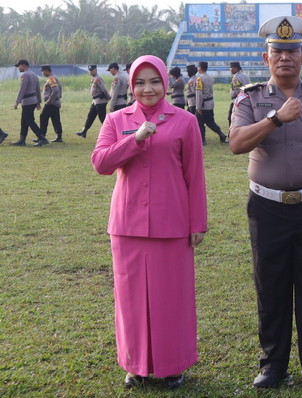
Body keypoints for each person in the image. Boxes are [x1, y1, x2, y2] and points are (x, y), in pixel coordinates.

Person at [229, 15, 302, 391]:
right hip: (267, 209)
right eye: (277, 51)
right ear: (266, 58)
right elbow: (236, 143)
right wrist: (276, 118)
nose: (284, 58)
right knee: (271, 286)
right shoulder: (249, 98)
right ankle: (272, 364)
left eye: (291, 51)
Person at [91, 55, 207, 390]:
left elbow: (194, 175)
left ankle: (172, 365)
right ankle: (135, 366)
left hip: (172, 224)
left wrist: (197, 222)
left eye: (154, 81)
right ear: (131, 86)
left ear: (165, 84)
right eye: (139, 82)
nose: (147, 89)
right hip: (127, 225)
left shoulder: (184, 121)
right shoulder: (116, 120)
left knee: (171, 297)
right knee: (131, 300)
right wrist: (136, 139)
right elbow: (100, 162)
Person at [12, 59, 47, 147]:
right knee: (24, 120)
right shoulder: (34, 75)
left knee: (29, 121)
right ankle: (22, 139)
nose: (18, 68)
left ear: (23, 65)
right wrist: (38, 102)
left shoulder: (25, 75)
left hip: (27, 101)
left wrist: (17, 102)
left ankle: (42, 138)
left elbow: (22, 90)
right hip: (33, 101)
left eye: (19, 66)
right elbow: (37, 90)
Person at [195, 61, 227, 145]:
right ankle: (221, 134)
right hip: (210, 102)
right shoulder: (209, 77)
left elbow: (199, 93)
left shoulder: (199, 79)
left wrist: (198, 106)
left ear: (200, 68)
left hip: (203, 104)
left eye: (198, 67)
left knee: (199, 122)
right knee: (210, 121)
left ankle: (202, 139)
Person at [76, 64, 110, 138]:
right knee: (90, 116)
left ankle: (110, 132)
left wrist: (108, 97)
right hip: (95, 101)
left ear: (96, 70)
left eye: (92, 70)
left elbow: (104, 89)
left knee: (102, 118)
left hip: (100, 101)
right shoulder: (93, 78)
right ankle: (84, 131)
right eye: (90, 71)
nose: (91, 72)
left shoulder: (98, 78)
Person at [39, 65, 63, 143]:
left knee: (43, 117)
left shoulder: (51, 78)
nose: (42, 73)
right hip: (55, 102)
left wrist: (49, 100)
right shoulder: (54, 77)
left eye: (42, 71)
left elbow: (55, 90)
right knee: (55, 119)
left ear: (46, 71)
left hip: (51, 103)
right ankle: (59, 136)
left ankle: (42, 136)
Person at [228, 61, 251, 127]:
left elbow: (237, 90)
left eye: (231, 67)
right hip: (246, 98)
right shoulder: (245, 76)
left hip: (237, 100)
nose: (230, 69)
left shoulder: (235, 77)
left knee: (231, 118)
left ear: (236, 68)